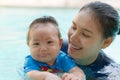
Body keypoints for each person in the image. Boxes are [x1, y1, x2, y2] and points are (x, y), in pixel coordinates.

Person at [61, 1, 120, 80]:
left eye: (85, 34)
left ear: (106, 42)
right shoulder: (55, 47)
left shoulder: (110, 75)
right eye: (74, 27)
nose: (73, 37)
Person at [23, 16, 85, 80]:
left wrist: (76, 76)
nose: (43, 49)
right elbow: (30, 74)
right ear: (29, 45)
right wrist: (45, 76)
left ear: (59, 43)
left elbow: (76, 70)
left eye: (49, 42)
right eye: (36, 44)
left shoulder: (62, 58)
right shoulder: (31, 60)